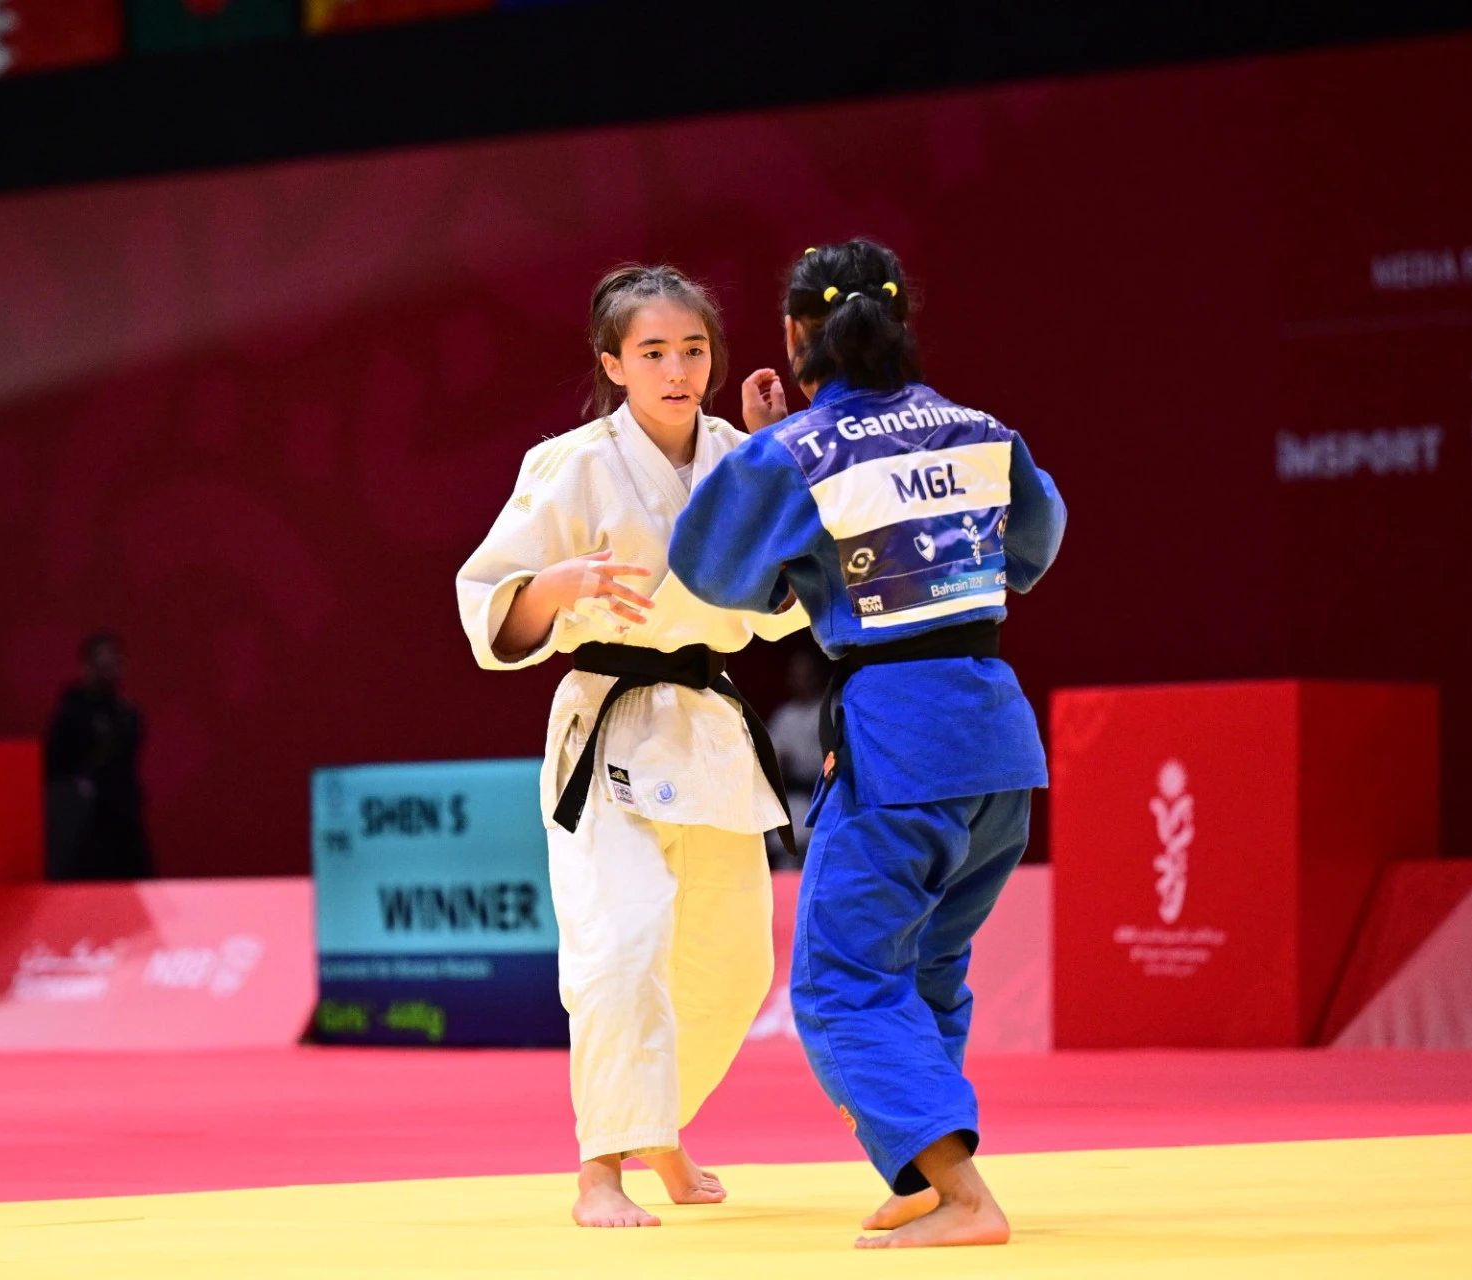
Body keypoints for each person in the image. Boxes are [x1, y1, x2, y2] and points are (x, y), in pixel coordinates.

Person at [669, 239, 1066, 1249]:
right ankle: (932, 1180)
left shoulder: (797, 451)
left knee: (840, 982)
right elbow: (1033, 546)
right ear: (900, 322)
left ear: (795, 334)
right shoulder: (981, 430)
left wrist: (773, 447)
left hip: (900, 741)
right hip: (997, 742)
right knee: (927, 964)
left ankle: (965, 1196)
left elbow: (710, 568)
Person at [456, 264, 808, 1229]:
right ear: (612, 363)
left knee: (734, 965)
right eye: (652, 352)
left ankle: (658, 1126)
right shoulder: (568, 465)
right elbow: (489, 605)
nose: (677, 369)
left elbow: (789, 606)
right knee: (620, 941)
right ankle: (600, 1170)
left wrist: (779, 462)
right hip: (606, 721)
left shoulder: (741, 456)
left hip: (705, 721)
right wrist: (556, 584)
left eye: (693, 349)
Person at [43, 631, 154, 882]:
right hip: (84, 825)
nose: (109, 672)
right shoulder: (71, 714)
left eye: (114, 664)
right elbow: (56, 764)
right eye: (102, 665)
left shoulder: (127, 714)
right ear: (87, 668)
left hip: (122, 818)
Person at [763, 646, 828, 866]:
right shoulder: (784, 717)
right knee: (788, 858)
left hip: (826, 799)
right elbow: (772, 763)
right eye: (797, 675)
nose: (802, 681)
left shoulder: (831, 709)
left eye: (807, 675)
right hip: (795, 800)